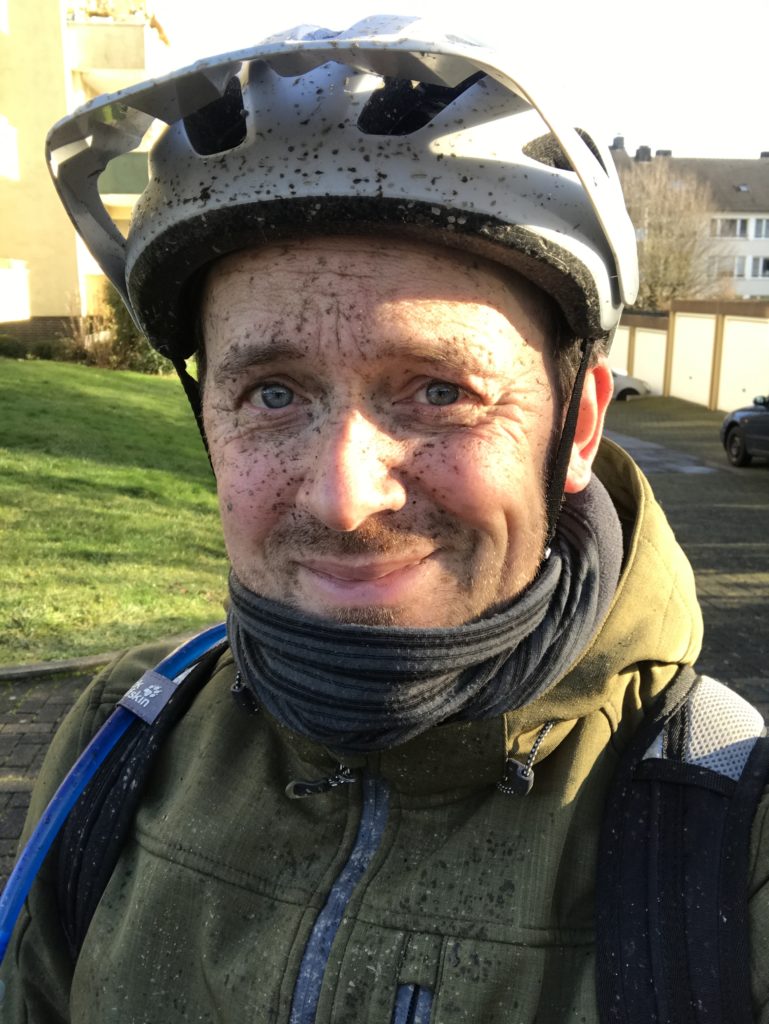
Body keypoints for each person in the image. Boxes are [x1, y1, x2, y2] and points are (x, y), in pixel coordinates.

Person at [2, 15, 768, 1023]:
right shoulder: (122, 735)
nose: (343, 496)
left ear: (577, 425)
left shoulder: (734, 829)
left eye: (439, 391)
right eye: (272, 393)